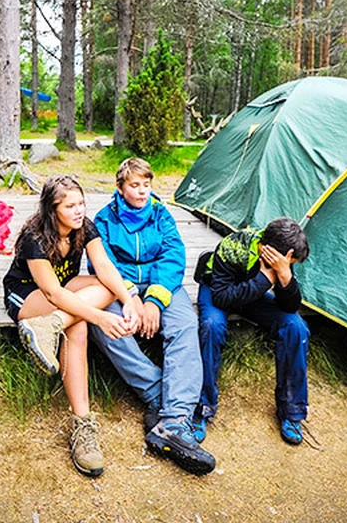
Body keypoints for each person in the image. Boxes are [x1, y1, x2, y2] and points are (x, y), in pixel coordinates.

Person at [3, 175, 140, 478]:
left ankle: (51, 327)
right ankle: (83, 423)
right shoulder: (35, 238)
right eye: (70, 206)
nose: (79, 211)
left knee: (109, 287)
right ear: (53, 211)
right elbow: (53, 293)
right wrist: (100, 317)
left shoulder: (84, 227)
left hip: (62, 292)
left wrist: (128, 300)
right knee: (80, 323)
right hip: (28, 294)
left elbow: (104, 267)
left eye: (81, 203)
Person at [89, 158, 216, 475]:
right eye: (134, 185)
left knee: (186, 324)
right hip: (120, 288)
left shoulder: (161, 214)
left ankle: (172, 422)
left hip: (162, 284)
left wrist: (155, 302)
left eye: (146, 184)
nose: (142, 191)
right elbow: (101, 264)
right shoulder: (104, 220)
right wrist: (131, 297)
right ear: (120, 187)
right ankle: (159, 394)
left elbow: (173, 256)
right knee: (104, 324)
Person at [196, 217, 310, 445]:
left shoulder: (281, 258)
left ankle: (291, 412)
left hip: (253, 292)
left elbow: (290, 306)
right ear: (270, 251)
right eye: (288, 263)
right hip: (218, 290)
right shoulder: (233, 246)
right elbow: (221, 297)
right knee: (212, 327)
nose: (288, 265)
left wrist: (285, 276)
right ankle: (202, 407)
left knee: (296, 327)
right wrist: (265, 279)